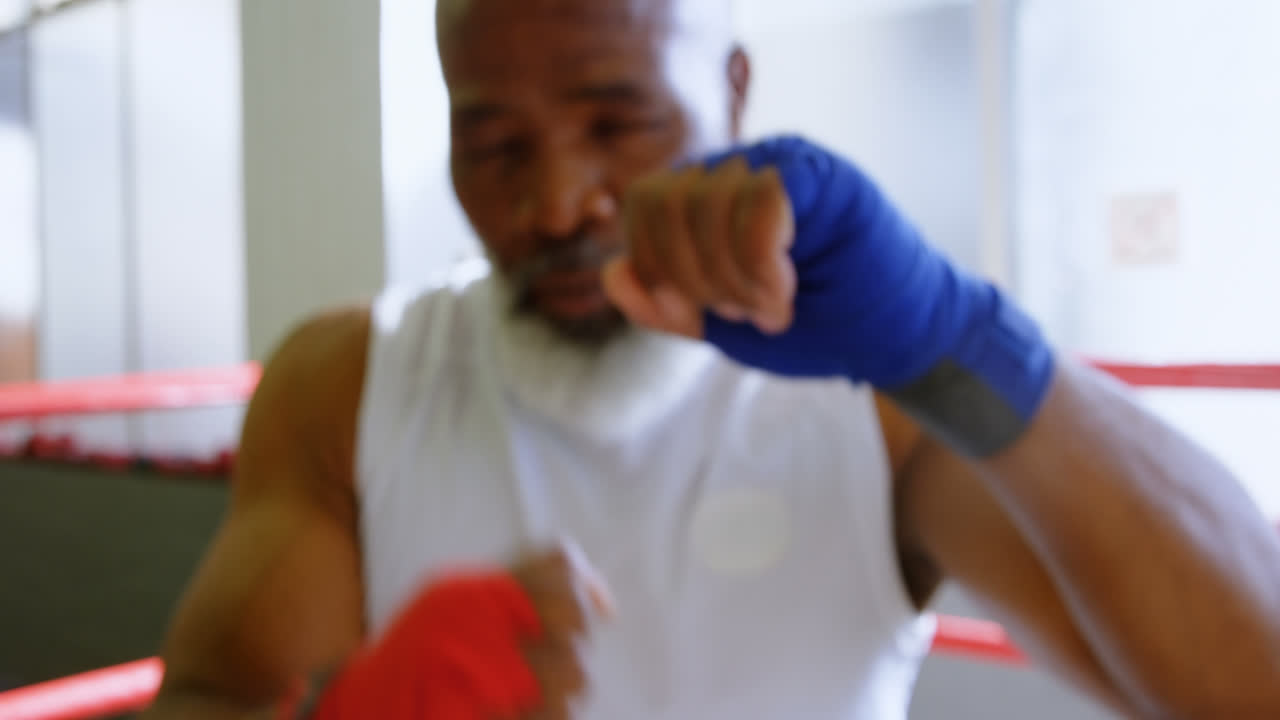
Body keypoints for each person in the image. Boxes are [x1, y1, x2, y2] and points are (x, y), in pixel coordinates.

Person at [141, 1, 1280, 718]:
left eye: (616, 119)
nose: (557, 202)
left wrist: (964, 343)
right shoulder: (350, 383)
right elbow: (206, 697)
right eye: (492, 145)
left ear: (728, 88)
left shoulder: (874, 403)